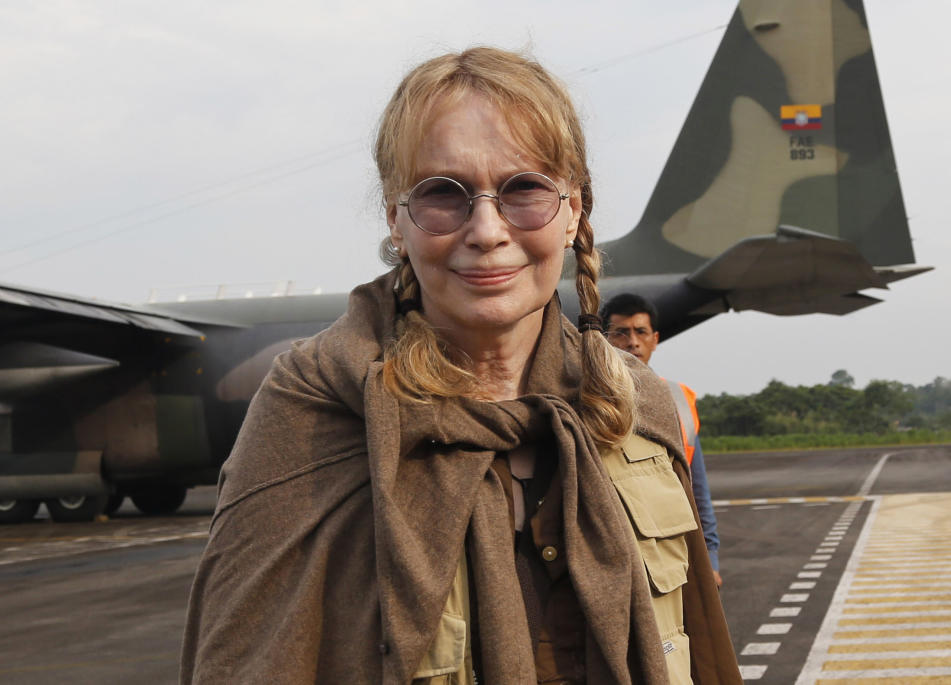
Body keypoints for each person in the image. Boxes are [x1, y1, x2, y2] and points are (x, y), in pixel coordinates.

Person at [181, 47, 739, 684]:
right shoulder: (314, 413)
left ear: (574, 210)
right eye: (442, 196)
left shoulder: (634, 403)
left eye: (523, 189)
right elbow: (240, 659)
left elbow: (701, 644)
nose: (486, 229)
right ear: (397, 220)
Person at [600, 293, 723, 588]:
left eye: (640, 332)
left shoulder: (678, 399)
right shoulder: (588, 399)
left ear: (655, 339)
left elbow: (698, 490)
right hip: (613, 553)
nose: (632, 342)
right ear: (602, 339)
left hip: (673, 550)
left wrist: (711, 559)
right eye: (621, 333)